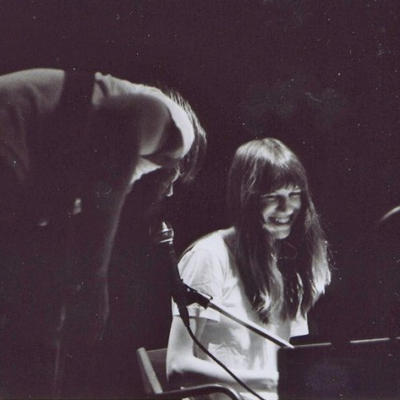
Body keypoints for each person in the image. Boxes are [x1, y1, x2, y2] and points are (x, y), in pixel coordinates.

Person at [0, 68, 206, 399]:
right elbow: (119, 118)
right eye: (177, 178)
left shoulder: (89, 171)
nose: (169, 193)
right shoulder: (178, 129)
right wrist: (92, 281)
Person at [166, 138, 331, 400]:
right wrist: (273, 381)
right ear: (247, 198)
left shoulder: (290, 262)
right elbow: (177, 366)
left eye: (293, 195)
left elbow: (285, 356)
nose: (286, 208)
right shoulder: (209, 256)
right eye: (272, 196)